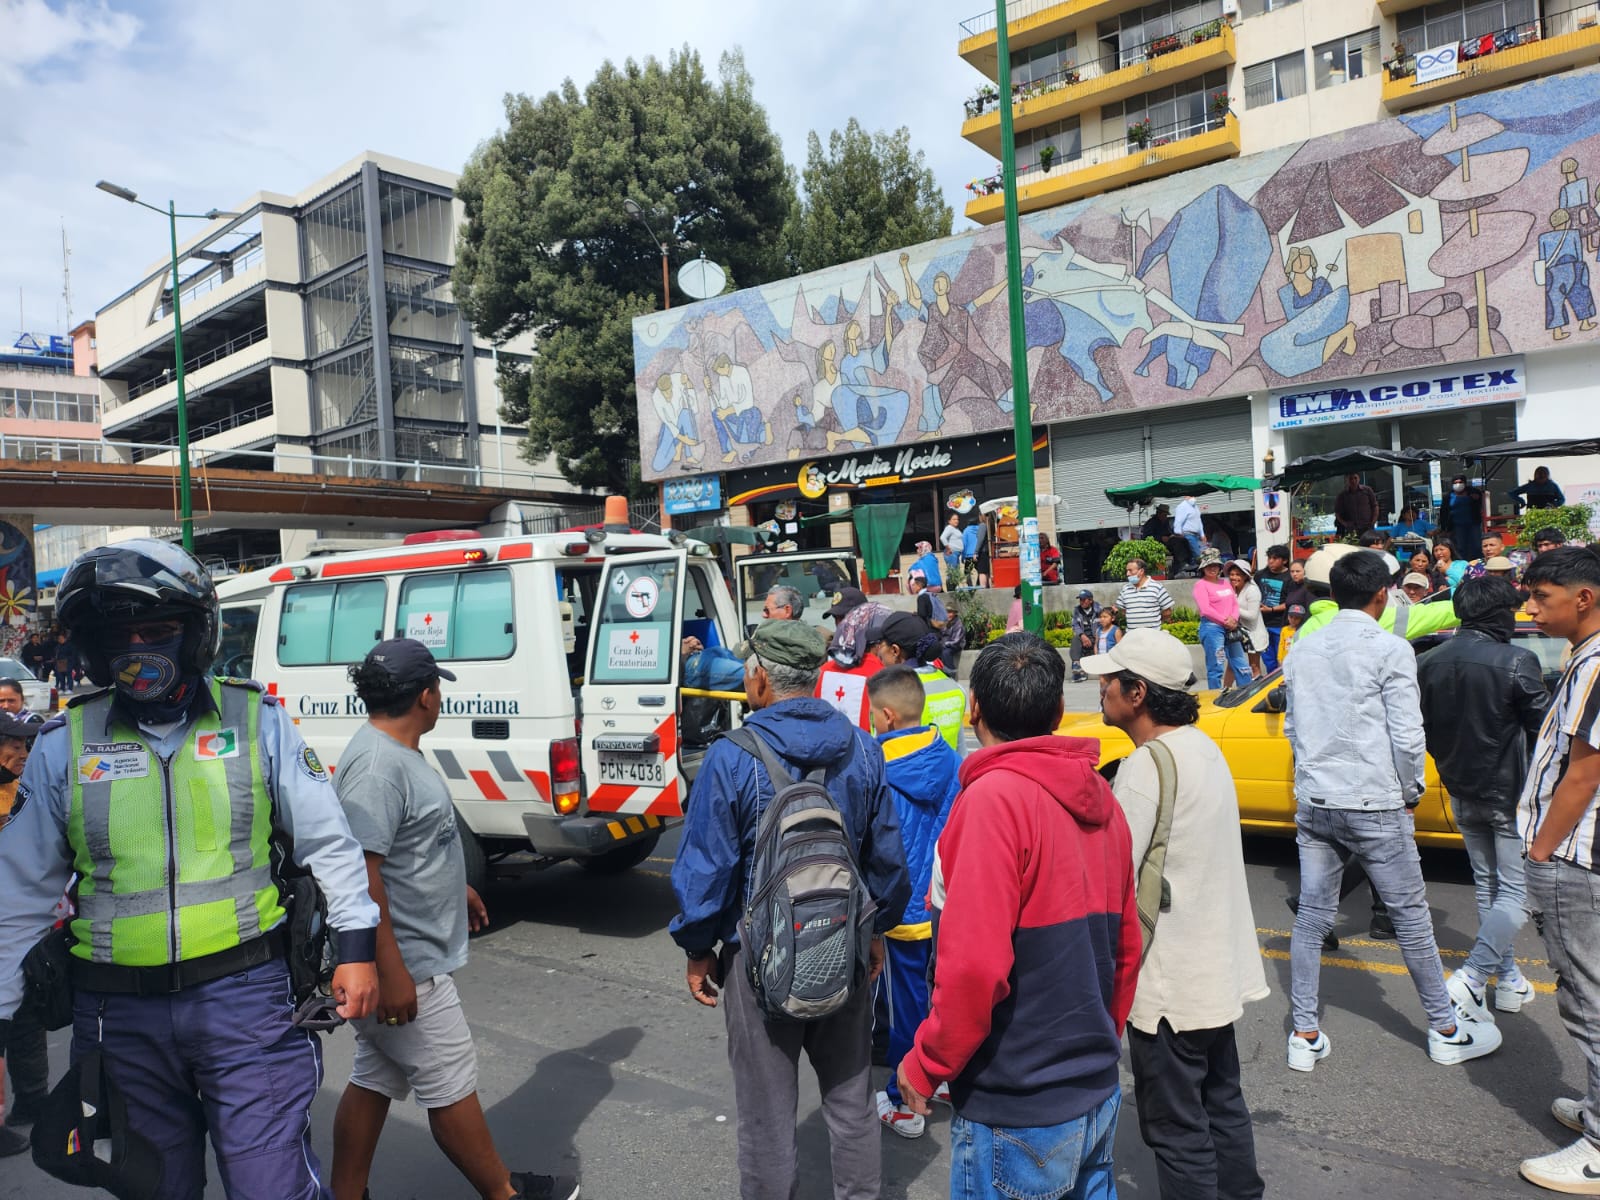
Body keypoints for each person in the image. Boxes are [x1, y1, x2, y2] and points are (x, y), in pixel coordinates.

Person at [0, 538, 383, 1198]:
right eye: (121, 634)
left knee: (272, 1188)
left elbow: (331, 843)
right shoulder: (65, 746)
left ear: (195, 632)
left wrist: (357, 950)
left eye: (158, 629)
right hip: (118, 1019)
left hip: (248, 1002)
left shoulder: (257, 722)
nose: (139, 647)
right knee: (157, 1187)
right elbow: (19, 891)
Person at [670, 619, 910, 1200]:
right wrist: (874, 931)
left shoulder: (731, 757)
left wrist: (699, 949)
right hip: (846, 946)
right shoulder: (861, 747)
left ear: (758, 680)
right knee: (852, 1103)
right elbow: (887, 861)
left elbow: (705, 869)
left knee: (767, 1119)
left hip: (760, 957)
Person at [895, 633, 1139, 1200]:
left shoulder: (992, 800)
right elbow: (1127, 947)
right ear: (1058, 711)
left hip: (1019, 1102)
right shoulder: (1101, 798)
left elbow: (976, 968)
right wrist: (1102, 1038)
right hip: (1096, 1086)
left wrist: (927, 1061)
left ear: (973, 707)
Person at [332, 639, 577, 1200]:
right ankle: (502, 1192)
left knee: (375, 1077)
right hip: (405, 967)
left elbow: (406, 850)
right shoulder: (377, 767)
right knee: (450, 1084)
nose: (439, 697)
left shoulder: (395, 750)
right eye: (437, 688)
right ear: (425, 695)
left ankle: (345, 1194)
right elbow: (362, 877)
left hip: (403, 956)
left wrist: (454, 885)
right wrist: (388, 970)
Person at [1283, 549, 1501, 1071]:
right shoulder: (1390, 648)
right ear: (1383, 595)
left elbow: (1293, 728)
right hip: (1374, 798)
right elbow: (1407, 733)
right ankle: (1445, 1028)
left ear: (1334, 593)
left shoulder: (1302, 650)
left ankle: (1304, 1033)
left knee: (1312, 918)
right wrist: (1411, 790)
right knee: (1411, 920)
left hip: (1316, 799)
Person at [1082, 630, 1268, 1200]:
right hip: (1214, 973)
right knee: (1222, 1105)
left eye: (1109, 682)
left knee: (1176, 1130)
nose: (1101, 689)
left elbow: (1110, 876)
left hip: (1167, 987)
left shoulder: (1145, 767)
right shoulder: (1201, 746)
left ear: (1137, 693)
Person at [1415, 577, 1548, 1033]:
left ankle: (1508, 978)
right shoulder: (1517, 659)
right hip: (1511, 794)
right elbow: (1544, 732)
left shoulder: (1428, 661)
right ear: (1498, 615)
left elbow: (1422, 728)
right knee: (1517, 893)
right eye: (1511, 611)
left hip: (1460, 787)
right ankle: (1473, 976)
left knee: (1490, 887)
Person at [1516, 547, 1600, 1192]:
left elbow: (1584, 771)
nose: (1532, 608)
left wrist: (1541, 849)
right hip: (1578, 853)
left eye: (1542, 597)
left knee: (1586, 1000)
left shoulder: (1597, 664)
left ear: (1584, 597)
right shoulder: (1585, 658)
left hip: (1577, 857)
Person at [867, 666, 961, 1140]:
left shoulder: (874, 766)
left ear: (885, 716)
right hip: (944, 904)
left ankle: (905, 1098)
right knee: (940, 998)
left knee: (905, 1009)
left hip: (900, 911)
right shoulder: (948, 756)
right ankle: (938, 1077)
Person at [0, 713, 46, 1155]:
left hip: (22, 925)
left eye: (25, 747)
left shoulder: (24, 792)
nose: (21, 754)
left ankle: (32, 1101)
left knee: (26, 1015)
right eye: (12, 745)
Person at [868, 611, 967, 750]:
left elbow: (878, 753)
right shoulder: (955, 689)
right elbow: (960, 750)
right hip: (946, 769)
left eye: (881, 644)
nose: (878, 652)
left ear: (895, 650)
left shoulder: (888, 693)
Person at [817, 591, 889, 730]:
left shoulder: (882, 672)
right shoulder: (824, 668)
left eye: (844, 618)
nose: (840, 624)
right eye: (836, 618)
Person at [1194, 550, 1250, 690]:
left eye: (1216, 565)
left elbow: (1234, 603)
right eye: (1209, 565)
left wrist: (1234, 620)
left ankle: (1247, 692)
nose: (1213, 568)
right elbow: (1205, 609)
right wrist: (1226, 620)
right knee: (1216, 665)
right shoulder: (1201, 585)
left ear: (1220, 567)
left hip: (1231, 627)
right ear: (1203, 568)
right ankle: (1215, 695)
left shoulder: (1225, 583)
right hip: (1212, 628)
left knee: (1240, 662)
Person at [1229, 560, 1268, 681]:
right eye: (1232, 574)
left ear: (1245, 575)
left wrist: (1233, 607)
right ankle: (1226, 690)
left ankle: (1256, 692)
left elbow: (1252, 615)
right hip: (1238, 633)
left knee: (1254, 666)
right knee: (1232, 664)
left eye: (1238, 574)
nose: (1234, 577)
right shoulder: (1231, 589)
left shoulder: (1252, 590)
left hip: (1253, 634)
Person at [1257, 545, 1292, 672]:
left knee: (1282, 659)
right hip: (1262, 625)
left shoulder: (1290, 577)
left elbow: (1291, 601)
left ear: (1284, 560)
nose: (1270, 561)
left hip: (1281, 625)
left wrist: (1272, 610)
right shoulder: (1260, 575)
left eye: (1275, 558)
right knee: (1268, 660)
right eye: (1269, 558)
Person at [1118, 557, 1175, 631]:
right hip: (1132, 636)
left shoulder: (1157, 587)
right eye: (1127, 571)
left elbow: (1167, 612)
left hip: (1152, 635)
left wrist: (1155, 622)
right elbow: (1123, 611)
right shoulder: (1125, 589)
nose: (1127, 574)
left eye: (1130, 571)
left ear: (1141, 571)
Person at [1443, 476, 1486, 561]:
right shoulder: (1448, 496)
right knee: (1460, 546)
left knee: (1477, 545)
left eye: (1460, 482)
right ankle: (1463, 563)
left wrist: (1476, 498)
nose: (1458, 484)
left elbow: (1480, 504)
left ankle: (1479, 562)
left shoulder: (1473, 492)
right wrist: (1444, 528)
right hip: (1457, 525)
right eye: (1455, 483)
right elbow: (1444, 512)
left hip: (1473, 524)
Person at [1334, 472, 1380, 537]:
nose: (1353, 480)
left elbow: (1375, 506)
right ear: (1347, 480)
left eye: (1355, 478)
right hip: (1351, 529)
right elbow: (1337, 512)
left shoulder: (1367, 490)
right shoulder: (1342, 495)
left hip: (1367, 527)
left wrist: (1373, 521)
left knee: (1369, 545)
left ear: (1359, 478)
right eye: (1351, 479)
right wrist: (1345, 524)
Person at [1070, 588, 1100, 682]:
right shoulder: (1077, 610)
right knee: (1075, 639)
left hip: (1096, 638)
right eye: (1080, 600)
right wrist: (1082, 636)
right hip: (1084, 638)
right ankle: (1077, 669)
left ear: (1090, 600)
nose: (1081, 602)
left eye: (1084, 599)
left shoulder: (1099, 610)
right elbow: (1075, 625)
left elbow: (1103, 624)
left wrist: (1097, 638)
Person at [1173, 494, 1207, 562]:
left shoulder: (1195, 507)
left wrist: (1202, 534)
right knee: (1198, 556)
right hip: (1187, 535)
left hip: (1196, 536)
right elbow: (1178, 521)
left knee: (1196, 556)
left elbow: (1198, 520)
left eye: (1193, 495)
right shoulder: (1182, 506)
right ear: (1185, 496)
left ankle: (1194, 570)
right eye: (1190, 496)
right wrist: (1179, 533)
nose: (1193, 497)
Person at [962, 518, 990, 588]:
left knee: (967, 572)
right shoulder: (980, 529)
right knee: (981, 571)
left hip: (969, 555)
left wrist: (963, 556)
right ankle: (979, 585)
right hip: (978, 554)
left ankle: (970, 586)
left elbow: (964, 544)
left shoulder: (966, 530)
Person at [940, 513, 965, 582]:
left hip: (956, 554)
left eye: (957, 519)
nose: (956, 521)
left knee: (955, 573)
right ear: (949, 521)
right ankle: (950, 591)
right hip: (952, 553)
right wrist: (948, 548)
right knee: (952, 573)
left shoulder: (955, 529)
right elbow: (942, 538)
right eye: (954, 519)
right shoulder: (949, 528)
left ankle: (954, 590)